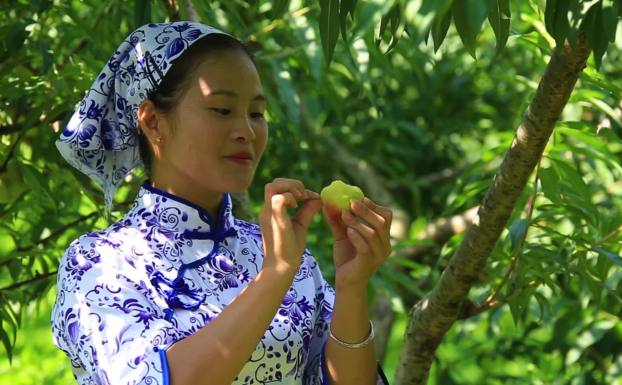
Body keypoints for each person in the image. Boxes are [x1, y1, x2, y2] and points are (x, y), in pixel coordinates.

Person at [50, 21, 393, 385]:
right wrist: (274, 275)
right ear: (153, 122)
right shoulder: (98, 263)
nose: (246, 130)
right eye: (222, 110)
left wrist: (352, 285)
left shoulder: (290, 260)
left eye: (257, 113)